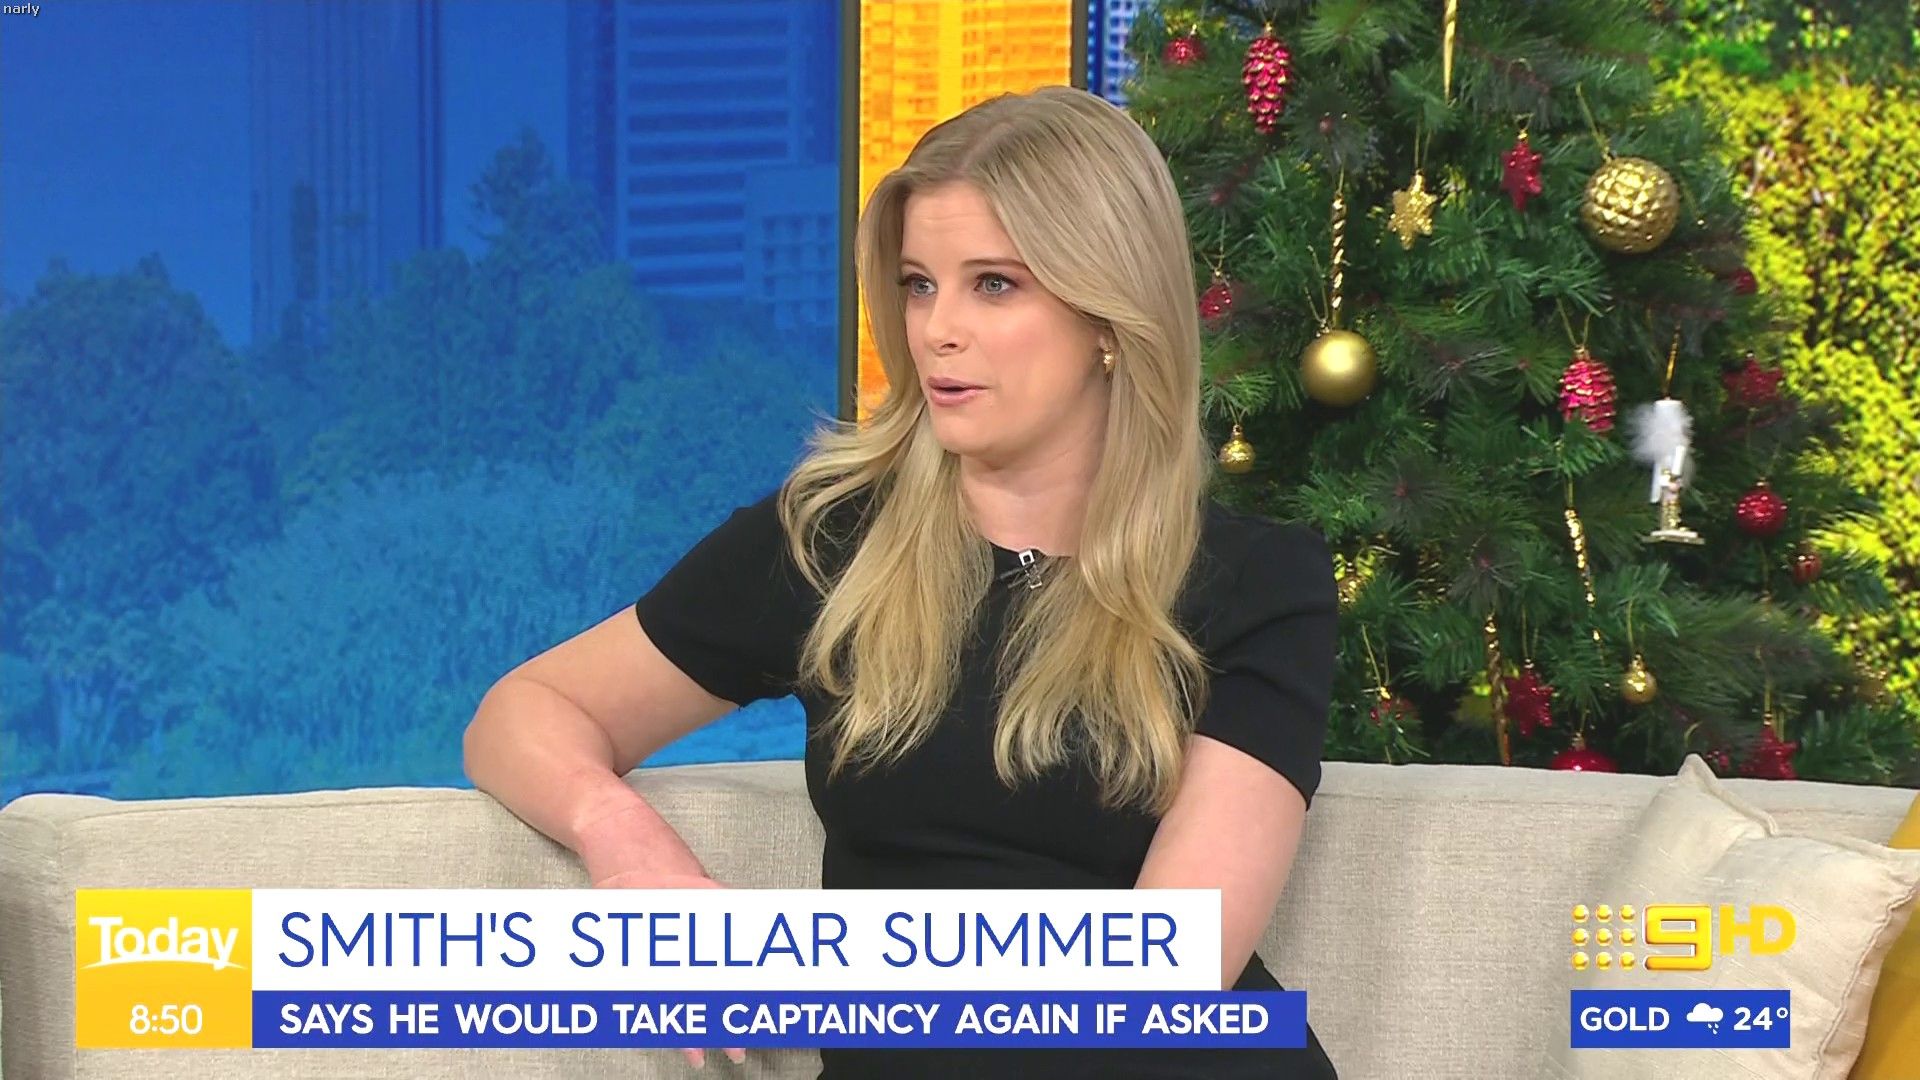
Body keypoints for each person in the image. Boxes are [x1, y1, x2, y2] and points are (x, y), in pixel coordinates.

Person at [464, 84, 1340, 1079]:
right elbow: (522, 713)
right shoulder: (832, 542)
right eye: (920, 284)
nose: (937, 330)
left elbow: (1166, 976)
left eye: (994, 285)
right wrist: (627, 844)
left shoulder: (1257, 585)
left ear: (1110, 316)